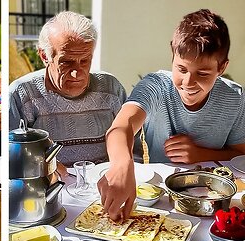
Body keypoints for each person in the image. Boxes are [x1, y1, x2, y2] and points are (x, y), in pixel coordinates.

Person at [101, 9, 245, 221]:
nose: (188, 83)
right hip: (161, 200)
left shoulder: (235, 98)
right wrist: (122, 166)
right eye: (181, 69)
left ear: (222, 68)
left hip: (216, 204)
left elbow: (240, 154)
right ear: (172, 55)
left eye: (202, 73)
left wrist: (200, 154)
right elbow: (121, 126)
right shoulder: (156, 86)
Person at [9, 11, 127, 169]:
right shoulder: (22, 94)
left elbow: (131, 145)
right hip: (48, 186)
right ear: (44, 56)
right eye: (66, 62)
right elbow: (12, 157)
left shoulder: (111, 88)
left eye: (84, 61)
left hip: (102, 185)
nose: (76, 72)